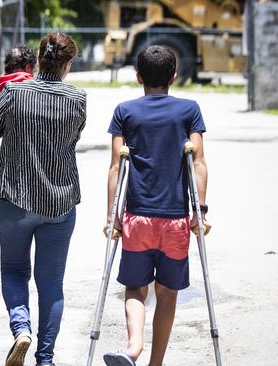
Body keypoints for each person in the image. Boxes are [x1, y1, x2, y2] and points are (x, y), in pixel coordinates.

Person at [103, 45, 210, 366]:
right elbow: (199, 162)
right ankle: (155, 363)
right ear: (174, 77)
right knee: (167, 293)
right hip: (175, 222)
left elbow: (115, 167)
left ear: (138, 77)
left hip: (137, 219)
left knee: (136, 288)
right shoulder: (189, 110)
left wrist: (113, 217)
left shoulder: (125, 111)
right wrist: (199, 212)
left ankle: (132, 348)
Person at [0, 32, 86, 366]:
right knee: (51, 284)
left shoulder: (14, 93)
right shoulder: (77, 99)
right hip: (59, 203)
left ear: (38, 59)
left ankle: (21, 330)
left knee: (14, 272)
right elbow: (72, 138)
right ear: (67, 64)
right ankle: (45, 359)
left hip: (14, 199)